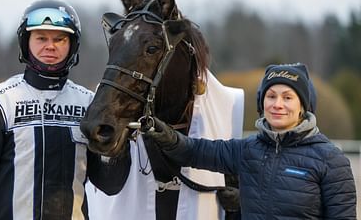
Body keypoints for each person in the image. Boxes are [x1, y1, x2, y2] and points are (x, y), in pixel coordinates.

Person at [145, 63, 357, 219]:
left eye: (288, 97)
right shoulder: (247, 149)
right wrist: (167, 136)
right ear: (262, 102)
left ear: (303, 106)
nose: (278, 104)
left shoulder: (331, 159)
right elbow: (195, 152)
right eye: (271, 96)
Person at [0, 0, 104, 219]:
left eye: (59, 39)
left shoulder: (91, 104)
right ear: (26, 41)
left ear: (73, 44)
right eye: (41, 38)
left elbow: (107, 182)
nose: (50, 46)